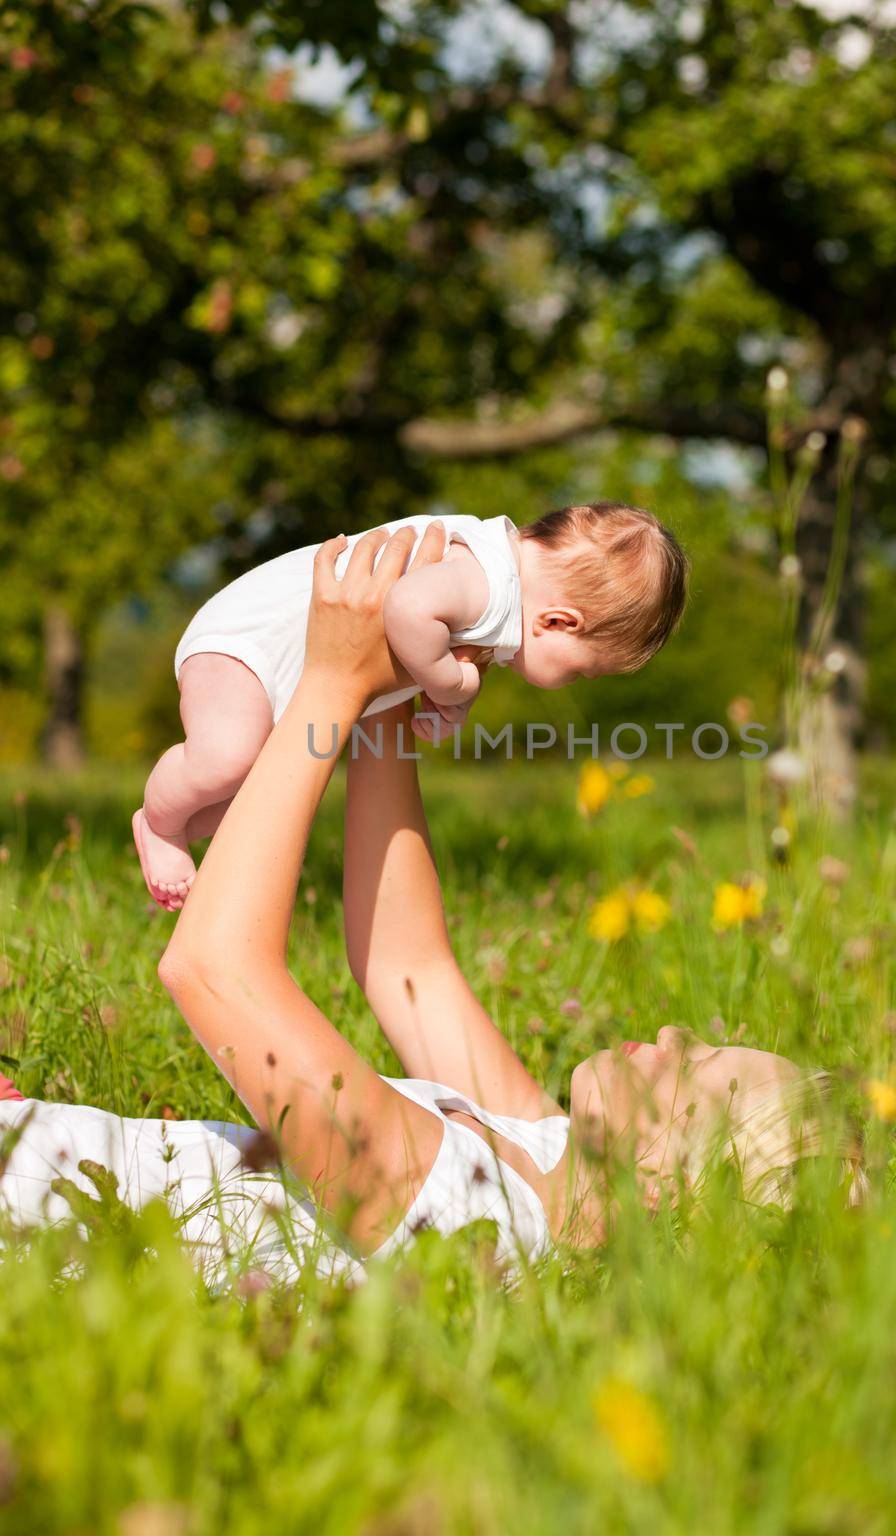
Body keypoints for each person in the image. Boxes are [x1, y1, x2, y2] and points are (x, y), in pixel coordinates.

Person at [0, 526, 843, 1290]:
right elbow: (410, 968)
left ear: (661, 1185)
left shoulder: (474, 1222)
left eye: (694, 1069)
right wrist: (385, 696)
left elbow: (213, 970)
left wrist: (329, 684)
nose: (674, 1036)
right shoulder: (545, 1153)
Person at [133, 503, 689, 909]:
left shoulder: (496, 573)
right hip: (249, 642)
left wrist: (445, 699)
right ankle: (160, 823)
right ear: (560, 622)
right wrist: (450, 685)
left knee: (257, 795)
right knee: (225, 760)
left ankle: (173, 820)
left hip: (287, 662)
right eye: (585, 668)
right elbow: (406, 607)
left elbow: (423, 640)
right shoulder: (490, 584)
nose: (577, 681)